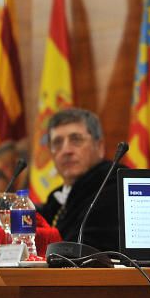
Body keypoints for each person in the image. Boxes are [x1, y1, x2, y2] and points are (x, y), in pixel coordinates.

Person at [38, 108, 120, 252]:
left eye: (76, 140)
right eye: (57, 143)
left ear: (99, 147)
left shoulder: (113, 185)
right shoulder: (55, 198)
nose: (66, 151)